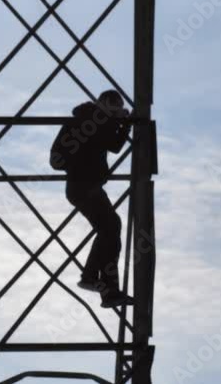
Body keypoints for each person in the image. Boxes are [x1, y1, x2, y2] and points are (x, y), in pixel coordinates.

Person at [60, 89, 133, 308]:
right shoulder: (93, 119)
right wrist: (122, 122)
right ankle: (92, 278)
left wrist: (123, 123)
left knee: (110, 228)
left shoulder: (90, 120)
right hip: (84, 186)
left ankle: (107, 289)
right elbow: (114, 143)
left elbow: (114, 145)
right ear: (103, 104)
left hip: (83, 186)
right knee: (110, 227)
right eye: (114, 109)